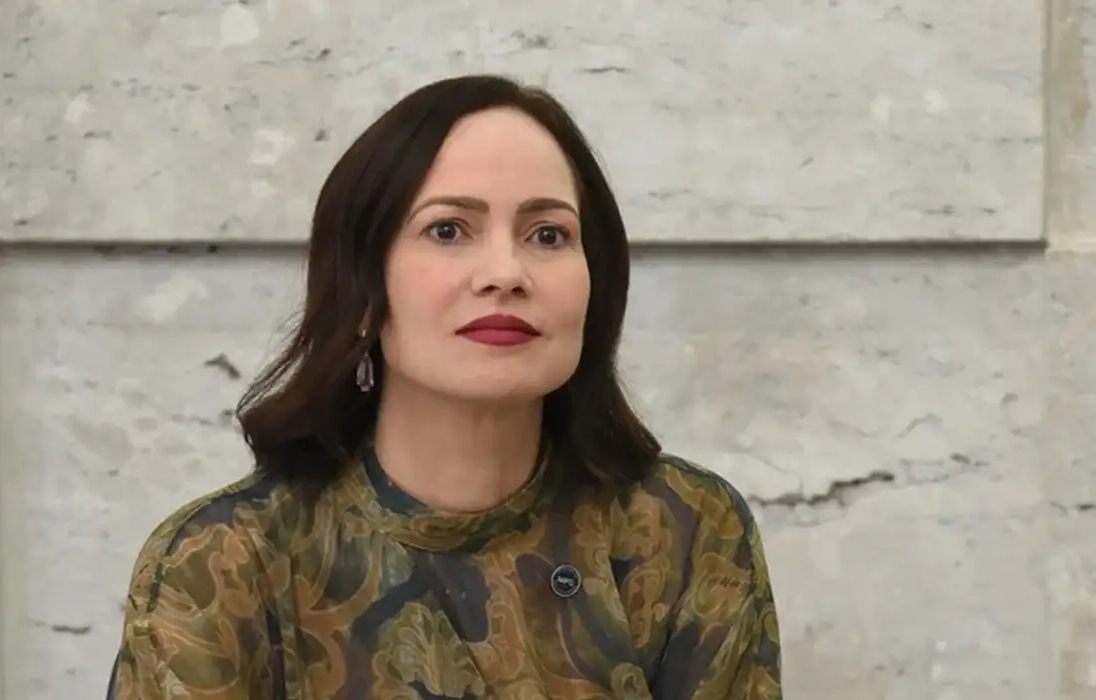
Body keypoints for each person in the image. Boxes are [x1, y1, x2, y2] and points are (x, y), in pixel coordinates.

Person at [106, 74, 783, 700]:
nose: (505, 273)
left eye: (548, 234)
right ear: (362, 287)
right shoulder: (225, 561)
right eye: (448, 230)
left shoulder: (682, 529)